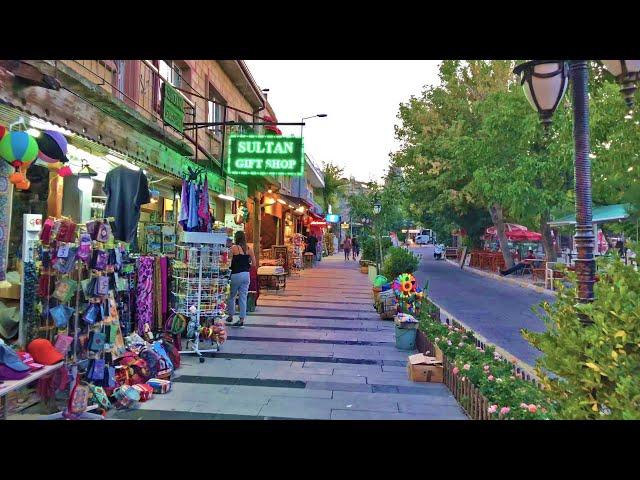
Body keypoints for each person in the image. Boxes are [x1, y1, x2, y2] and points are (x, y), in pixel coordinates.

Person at [226, 231, 256, 328]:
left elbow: (229, 263)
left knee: (232, 296)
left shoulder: (233, 248)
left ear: (236, 238)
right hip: (246, 275)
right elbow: (254, 264)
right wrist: (246, 265)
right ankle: (241, 319)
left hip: (236, 274)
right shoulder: (249, 249)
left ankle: (230, 315)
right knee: (243, 298)